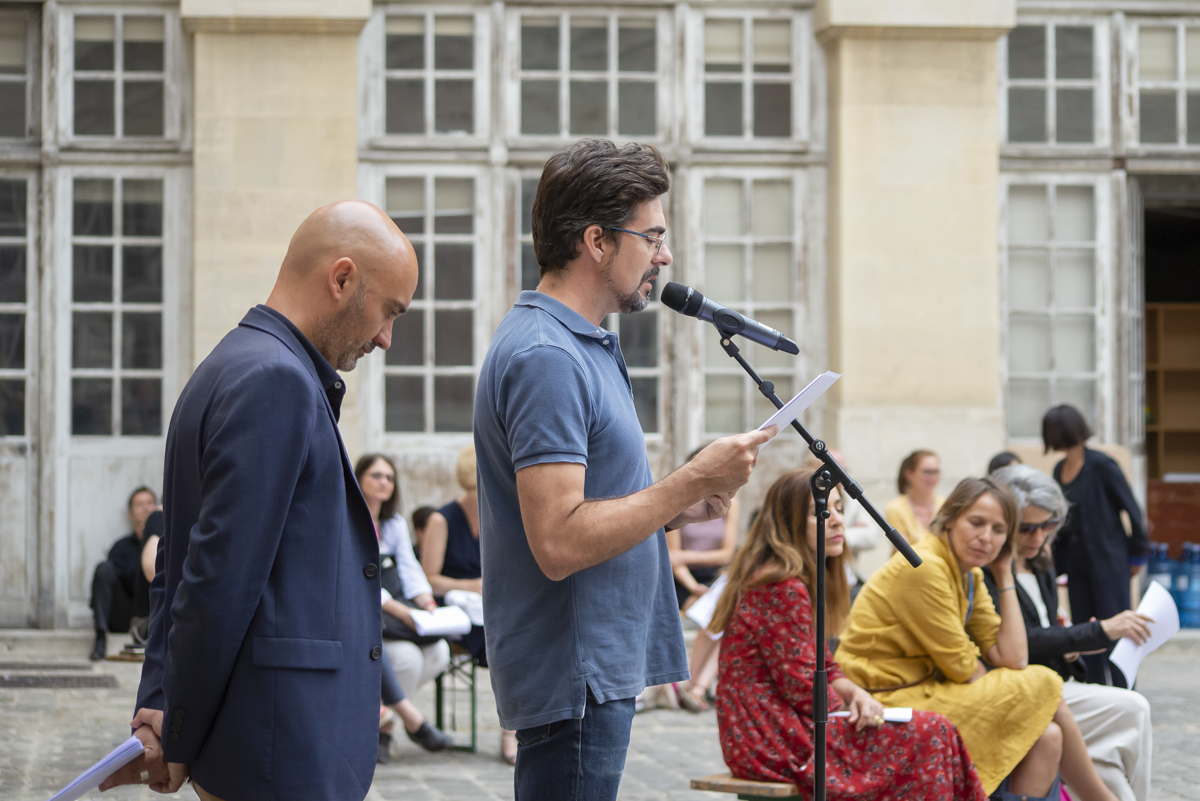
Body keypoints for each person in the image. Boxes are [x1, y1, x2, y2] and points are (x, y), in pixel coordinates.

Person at [473, 138, 774, 801]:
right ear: (597, 242)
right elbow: (559, 541)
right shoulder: (548, 355)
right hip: (574, 672)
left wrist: (677, 503)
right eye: (653, 236)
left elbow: (593, 503)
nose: (664, 256)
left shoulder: (577, 344)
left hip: (592, 668)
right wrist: (688, 480)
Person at [101, 201, 419, 799]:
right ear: (342, 278)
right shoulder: (277, 379)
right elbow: (215, 581)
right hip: (281, 748)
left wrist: (163, 704)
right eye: (389, 312)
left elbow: (179, 563)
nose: (386, 337)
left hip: (266, 744)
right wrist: (179, 734)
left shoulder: (229, 364)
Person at [836, 477, 1120, 801]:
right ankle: (1103, 799)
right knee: (1042, 682)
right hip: (881, 700)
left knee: (1049, 737)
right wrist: (993, 680)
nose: (986, 538)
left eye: (999, 530)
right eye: (976, 523)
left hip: (924, 691)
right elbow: (962, 667)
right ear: (950, 519)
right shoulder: (924, 565)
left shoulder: (969, 573)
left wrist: (1004, 574)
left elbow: (1013, 658)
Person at [711, 469, 988, 800]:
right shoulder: (780, 585)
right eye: (822, 512)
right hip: (771, 734)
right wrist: (853, 709)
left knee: (935, 731)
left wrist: (857, 694)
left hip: (779, 726)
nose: (838, 521)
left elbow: (822, 665)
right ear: (789, 522)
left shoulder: (798, 580)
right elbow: (803, 688)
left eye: (840, 509)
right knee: (931, 732)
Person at [988, 464, 1154, 801]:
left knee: (1108, 760)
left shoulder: (1039, 560)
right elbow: (1018, 645)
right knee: (1133, 708)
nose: (1038, 537)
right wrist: (1096, 632)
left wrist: (1071, 647)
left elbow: (1046, 632)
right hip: (1021, 687)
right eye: (1027, 529)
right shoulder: (990, 568)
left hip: (1052, 683)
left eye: (1047, 526)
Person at [419, 444, 517, 763]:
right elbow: (430, 578)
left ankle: (519, 725)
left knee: (518, 630)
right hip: (457, 613)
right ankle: (511, 730)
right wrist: (470, 586)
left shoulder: (503, 514)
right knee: (505, 641)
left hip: (493, 606)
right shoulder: (441, 519)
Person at [353, 452, 453, 761]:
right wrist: (399, 610)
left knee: (439, 652)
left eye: (390, 477)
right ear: (358, 479)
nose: (384, 482)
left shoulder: (392, 523)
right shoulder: (349, 519)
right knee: (407, 658)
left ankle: (385, 726)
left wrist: (425, 600)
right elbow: (358, 577)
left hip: (396, 614)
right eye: (376, 475)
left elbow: (409, 567)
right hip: (367, 616)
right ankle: (402, 723)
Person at [1044, 405, 1150, 687]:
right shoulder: (1059, 469)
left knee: (1119, 636)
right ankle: (1097, 695)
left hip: (1109, 563)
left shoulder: (1102, 465)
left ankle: (1127, 696)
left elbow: (1132, 509)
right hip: (1077, 568)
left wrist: (1137, 554)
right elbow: (1060, 519)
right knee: (1087, 633)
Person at [89, 487, 157, 660]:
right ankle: (100, 636)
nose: (146, 508)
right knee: (103, 568)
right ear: (130, 514)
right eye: (139, 504)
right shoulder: (122, 547)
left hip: (154, 613)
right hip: (125, 614)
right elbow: (108, 581)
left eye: (150, 503)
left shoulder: (166, 545)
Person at [668, 446, 739, 611]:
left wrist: (684, 556)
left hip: (714, 576)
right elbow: (672, 558)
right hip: (681, 577)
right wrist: (693, 587)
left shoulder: (731, 505)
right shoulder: (678, 502)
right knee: (694, 608)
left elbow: (726, 555)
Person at [883, 449, 944, 545]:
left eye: (935, 472)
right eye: (927, 472)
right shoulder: (895, 508)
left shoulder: (946, 505)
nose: (932, 477)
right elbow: (904, 551)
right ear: (909, 475)